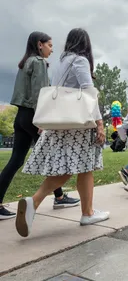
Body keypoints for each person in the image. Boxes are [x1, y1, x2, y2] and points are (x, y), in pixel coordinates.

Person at [15, 28, 109, 237]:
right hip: (79, 124)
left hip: (61, 121)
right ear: (85, 44)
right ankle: (37, 202)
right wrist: (100, 123)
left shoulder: (59, 62)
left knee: (79, 168)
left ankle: (86, 212)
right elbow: (89, 92)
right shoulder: (80, 60)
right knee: (78, 167)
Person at [0, 32, 80, 221]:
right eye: (50, 45)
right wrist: (42, 120)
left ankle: (59, 196)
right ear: (39, 45)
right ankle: (59, 197)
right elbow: (40, 94)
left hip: (21, 116)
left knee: (16, 160)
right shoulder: (38, 62)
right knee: (53, 156)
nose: (52, 50)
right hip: (33, 116)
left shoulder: (24, 63)